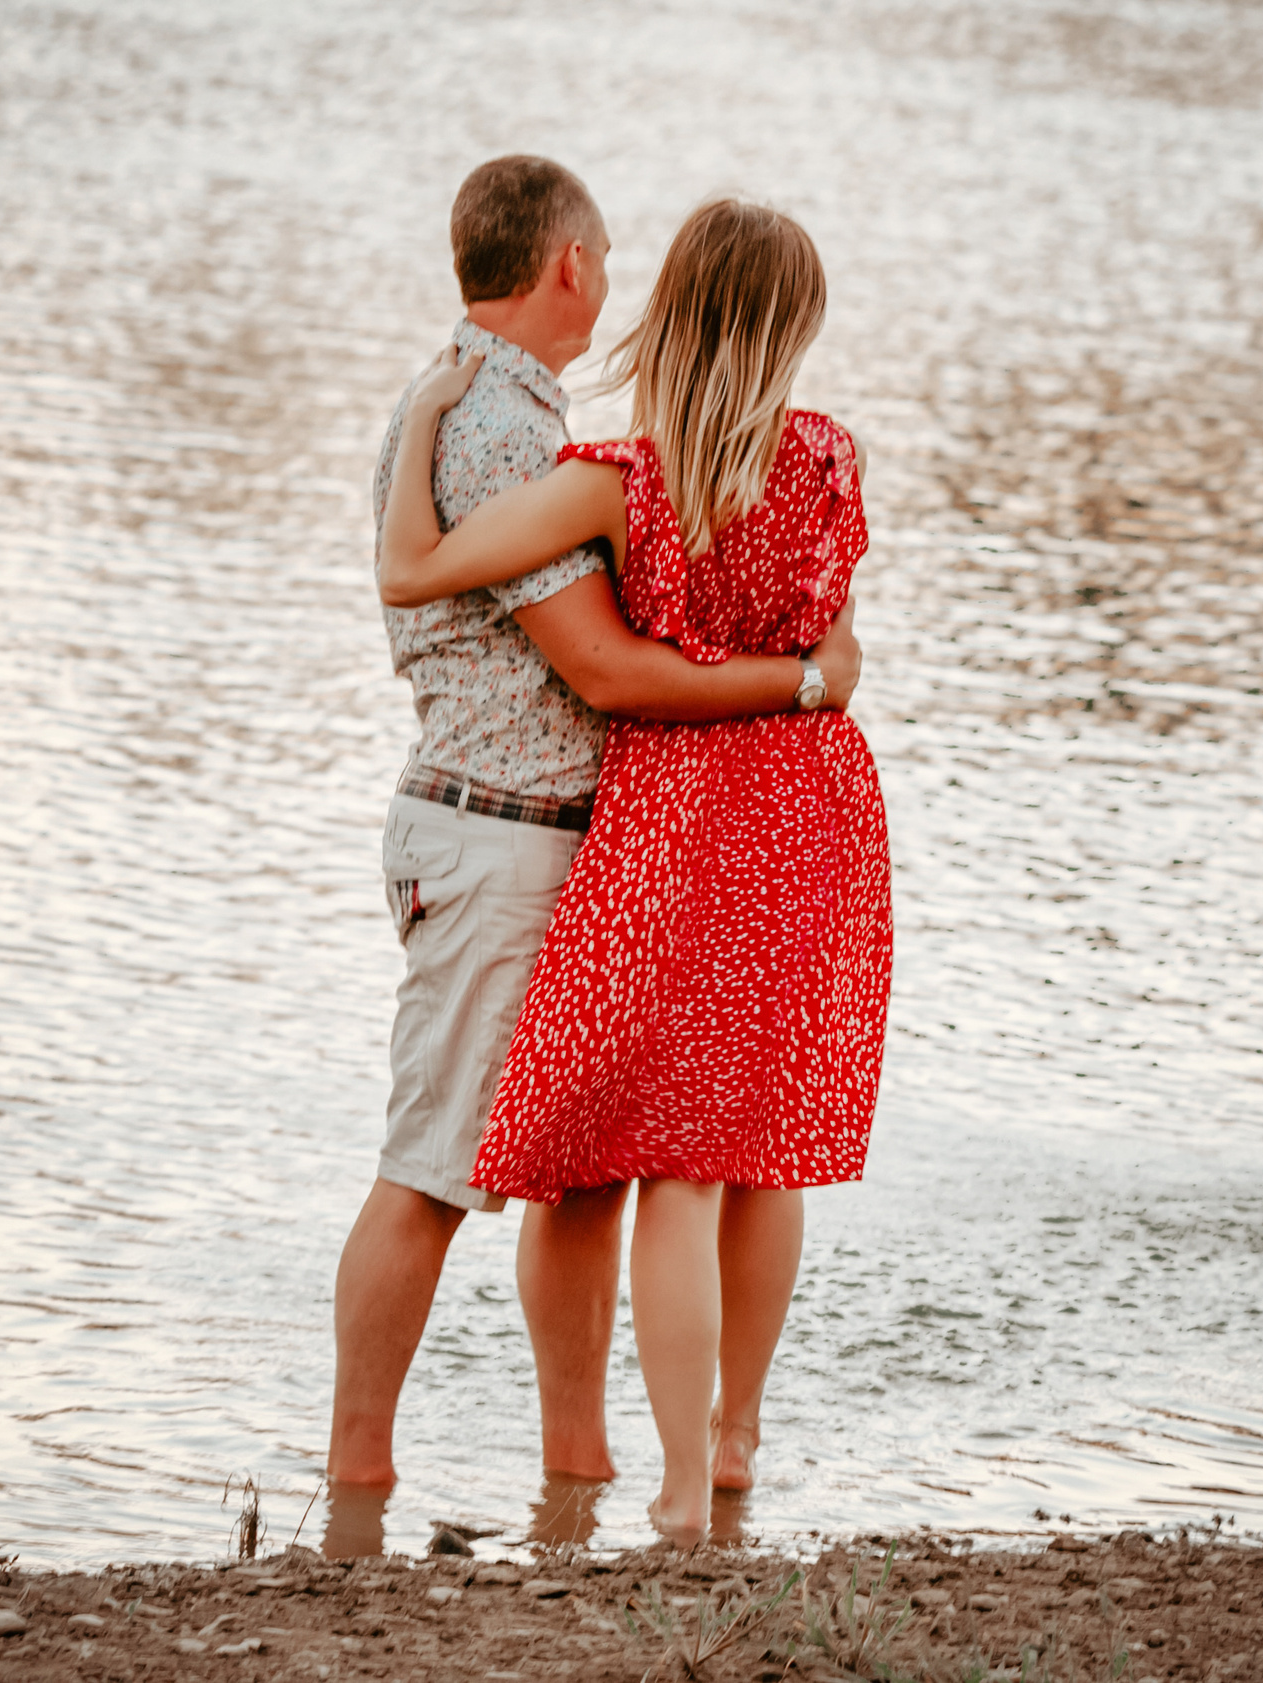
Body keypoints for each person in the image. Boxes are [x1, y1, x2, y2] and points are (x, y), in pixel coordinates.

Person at [326, 159, 861, 1553]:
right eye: (602, 254)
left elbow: (414, 571)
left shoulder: (607, 468)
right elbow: (693, 658)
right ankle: (678, 1462)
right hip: (731, 821)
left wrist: (425, 417)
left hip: (646, 835)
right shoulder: (820, 460)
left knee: (637, 1166)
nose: (611, 278)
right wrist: (807, 681)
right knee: (716, 1150)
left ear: (674, 312)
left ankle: (627, 1479)